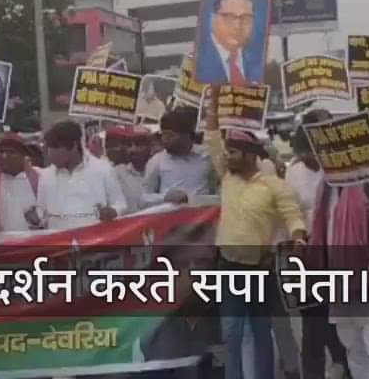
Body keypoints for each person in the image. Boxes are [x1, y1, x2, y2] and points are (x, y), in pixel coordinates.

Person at [204, 89, 306, 379]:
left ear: (249, 156)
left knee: (263, 331)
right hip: (229, 266)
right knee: (232, 332)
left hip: (260, 267)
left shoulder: (273, 185)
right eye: (227, 153)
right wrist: (212, 103)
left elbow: (292, 214)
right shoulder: (227, 177)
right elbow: (212, 137)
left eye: (233, 153)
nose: (228, 157)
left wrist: (298, 236)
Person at [283, 134, 349, 379]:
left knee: (338, 320)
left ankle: (344, 364)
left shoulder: (339, 169)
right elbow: (290, 210)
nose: (307, 158)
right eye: (302, 153)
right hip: (307, 251)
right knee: (312, 323)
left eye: (311, 152)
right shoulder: (294, 173)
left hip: (338, 249)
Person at [27, 121, 126, 231]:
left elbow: (120, 204)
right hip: (61, 245)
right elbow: (42, 215)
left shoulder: (103, 169)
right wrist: (35, 218)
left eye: (55, 147)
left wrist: (112, 212)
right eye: (48, 148)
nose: (50, 153)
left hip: (96, 243)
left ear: (73, 146)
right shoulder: (46, 176)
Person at [142, 107, 215, 207]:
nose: (164, 140)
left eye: (170, 136)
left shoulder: (207, 157)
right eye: (163, 135)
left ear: (186, 135)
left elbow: (219, 192)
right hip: (169, 219)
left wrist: (197, 200)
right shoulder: (156, 162)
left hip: (204, 219)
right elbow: (143, 199)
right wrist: (165, 197)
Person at [197, 0, 262, 85]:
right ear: (213, 19)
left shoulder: (256, 63)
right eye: (229, 17)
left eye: (246, 18)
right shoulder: (198, 62)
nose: (238, 25)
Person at [0, 133, 40, 233]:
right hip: (2, 244)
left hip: (36, 243)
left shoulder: (40, 177)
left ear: (23, 155)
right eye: (1, 152)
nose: (5, 156)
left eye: (11, 152)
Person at [105, 125, 150, 214]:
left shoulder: (160, 169)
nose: (133, 149)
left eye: (138, 144)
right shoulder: (116, 173)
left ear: (150, 146)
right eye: (129, 145)